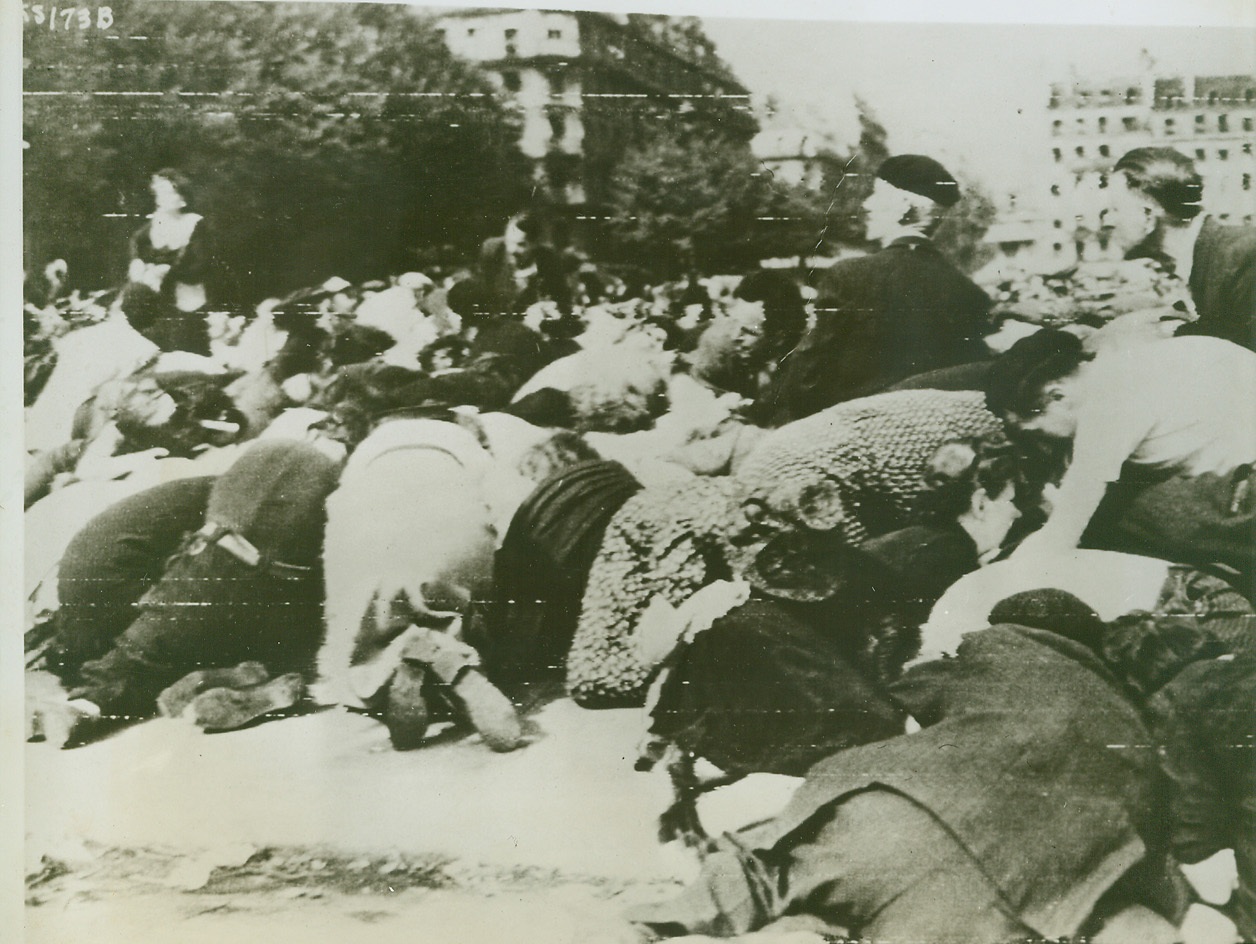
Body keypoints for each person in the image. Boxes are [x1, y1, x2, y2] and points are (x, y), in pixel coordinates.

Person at [629, 591, 1187, 943]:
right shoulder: (1131, 723)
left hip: (894, 819)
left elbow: (895, 701)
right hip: (1004, 894)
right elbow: (1156, 845)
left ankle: (664, 922)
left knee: (773, 865)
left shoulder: (992, 650)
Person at [28, 439, 342, 747]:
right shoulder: (295, 494)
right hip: (187, 584)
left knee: (153, 640)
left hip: (100, 607)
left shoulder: (225, 485)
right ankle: (256, 674)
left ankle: (94, 703)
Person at [985, 328, 1256, 591]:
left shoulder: (1106, 407)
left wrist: (1005, 576)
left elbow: (1065, 529)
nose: (1041, 439)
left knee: (1122, 517)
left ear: (1057, 395)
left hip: (1248, 492)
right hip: (1239, 454)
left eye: (1035, 428)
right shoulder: (1117, 363)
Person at [762, 154, 991, 425]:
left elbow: (805, 382)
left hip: (859, 439)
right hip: (932, 438)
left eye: (875, 195)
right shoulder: (969, 292)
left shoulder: (847, 276)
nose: (866, 205)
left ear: (904, 207)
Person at [1101, 146, 1256, 350]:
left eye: (1115, 209)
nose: (1107, 222)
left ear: (1148, 215)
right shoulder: (1204, 254)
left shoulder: (1245, 254)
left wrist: (1168, 333)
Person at [119, 169, 217, 355]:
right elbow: (136, 243)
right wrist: (136, 262)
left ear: (183, 199)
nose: (161, 197)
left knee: (185, 353)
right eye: (159, 192)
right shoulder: (155, 224)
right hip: (156, 304)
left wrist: (169, 271)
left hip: (186, 301)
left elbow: (202, 266)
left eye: (168, 192)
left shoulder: (194, 224)